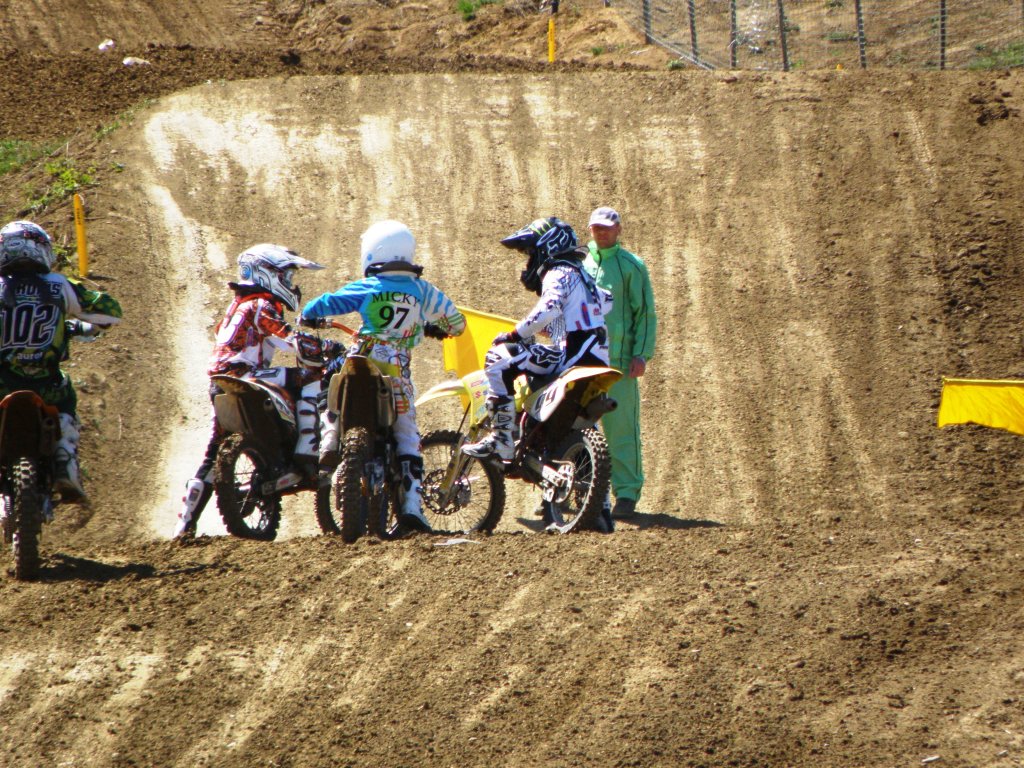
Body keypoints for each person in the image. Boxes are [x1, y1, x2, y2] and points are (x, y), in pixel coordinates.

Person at [298, 220, 466, 534]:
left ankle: (329, 443)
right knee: (407, 435)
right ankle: (412, 506)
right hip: (397, 371)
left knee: (332, 389)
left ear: (372, 252)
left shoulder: (368, 286)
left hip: (363, 358)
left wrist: (308, 315)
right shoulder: (423, 290)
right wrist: (432, 327)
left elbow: (323, 303)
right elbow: (457, 324)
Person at [173, 243, 325, 538]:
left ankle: (185, 524)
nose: (290, 283)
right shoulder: (261, 305)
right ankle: (308, 450)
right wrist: (326, 347)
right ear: (267, 274)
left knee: (215, 451)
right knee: (310, 376)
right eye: (286, 276)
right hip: (247, 376)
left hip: (218, 382)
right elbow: (290, 340)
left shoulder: (236, 306)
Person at [462, 217, 611, 463]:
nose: (529, 261)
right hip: (598, 356)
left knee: (499, 357)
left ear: (547, 246)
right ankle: (588, 481)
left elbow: (548, 308)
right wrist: (555, 328)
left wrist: (515, 334)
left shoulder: (559, 271)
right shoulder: (584, 277)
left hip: (572, 356)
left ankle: (501, 439)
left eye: (531, 253)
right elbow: (606, 302)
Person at [0, 220, 122, 502]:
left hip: (3, 383)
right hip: (47, 385)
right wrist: (97, 322)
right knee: (66, 400)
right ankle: (65, 459)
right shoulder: (59, 285)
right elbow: (111, 311)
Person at [582, 206, 656, 518]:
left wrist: (641, 354)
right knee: (575, 427)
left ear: (618, 230)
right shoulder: (579, 263)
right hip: (581, 361)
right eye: (596, 228)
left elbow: (645, 313)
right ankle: (578, 491)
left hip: (618, 365)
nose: (601, 232)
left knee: (621, 430)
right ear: (590, 230)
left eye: (607, 227)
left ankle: (626, 493)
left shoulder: (632, 266)